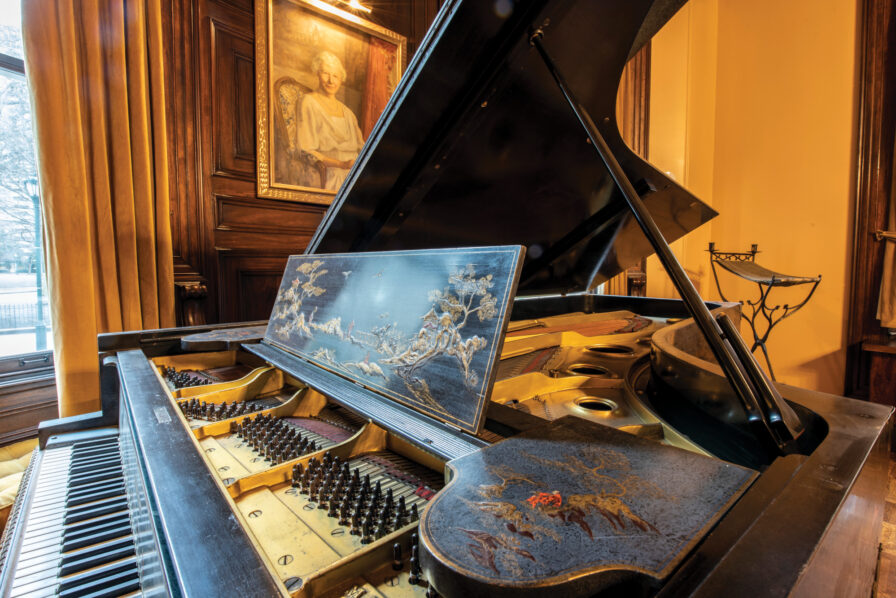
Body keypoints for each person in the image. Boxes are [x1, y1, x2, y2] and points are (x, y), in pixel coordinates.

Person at [297, 51, 365, 191]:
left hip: (356, 175)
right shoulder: (308, 102)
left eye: (335, 76)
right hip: (330, 173)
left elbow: (362, 149)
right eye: (326, 74)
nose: (331, 81)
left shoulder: (348, 113)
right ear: (317, 73)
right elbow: (306, 149)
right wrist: (341, 164)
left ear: (341, 79)